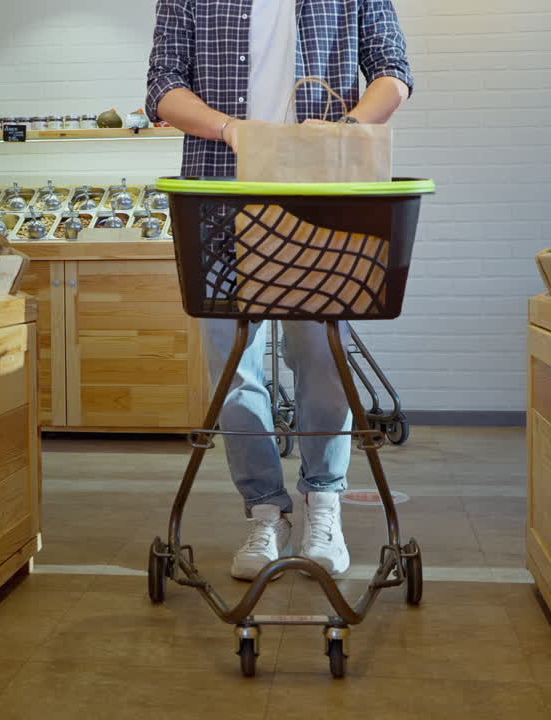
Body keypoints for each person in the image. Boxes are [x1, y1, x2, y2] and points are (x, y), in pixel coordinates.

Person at [145, 0, 413, 580]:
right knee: (232, 365)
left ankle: (324, 500)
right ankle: (266, 509)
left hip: (324, 199)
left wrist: (350, 128)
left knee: (320, 353)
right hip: (217, 197)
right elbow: (163, 86)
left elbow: (393, 71)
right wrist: (230, 128)